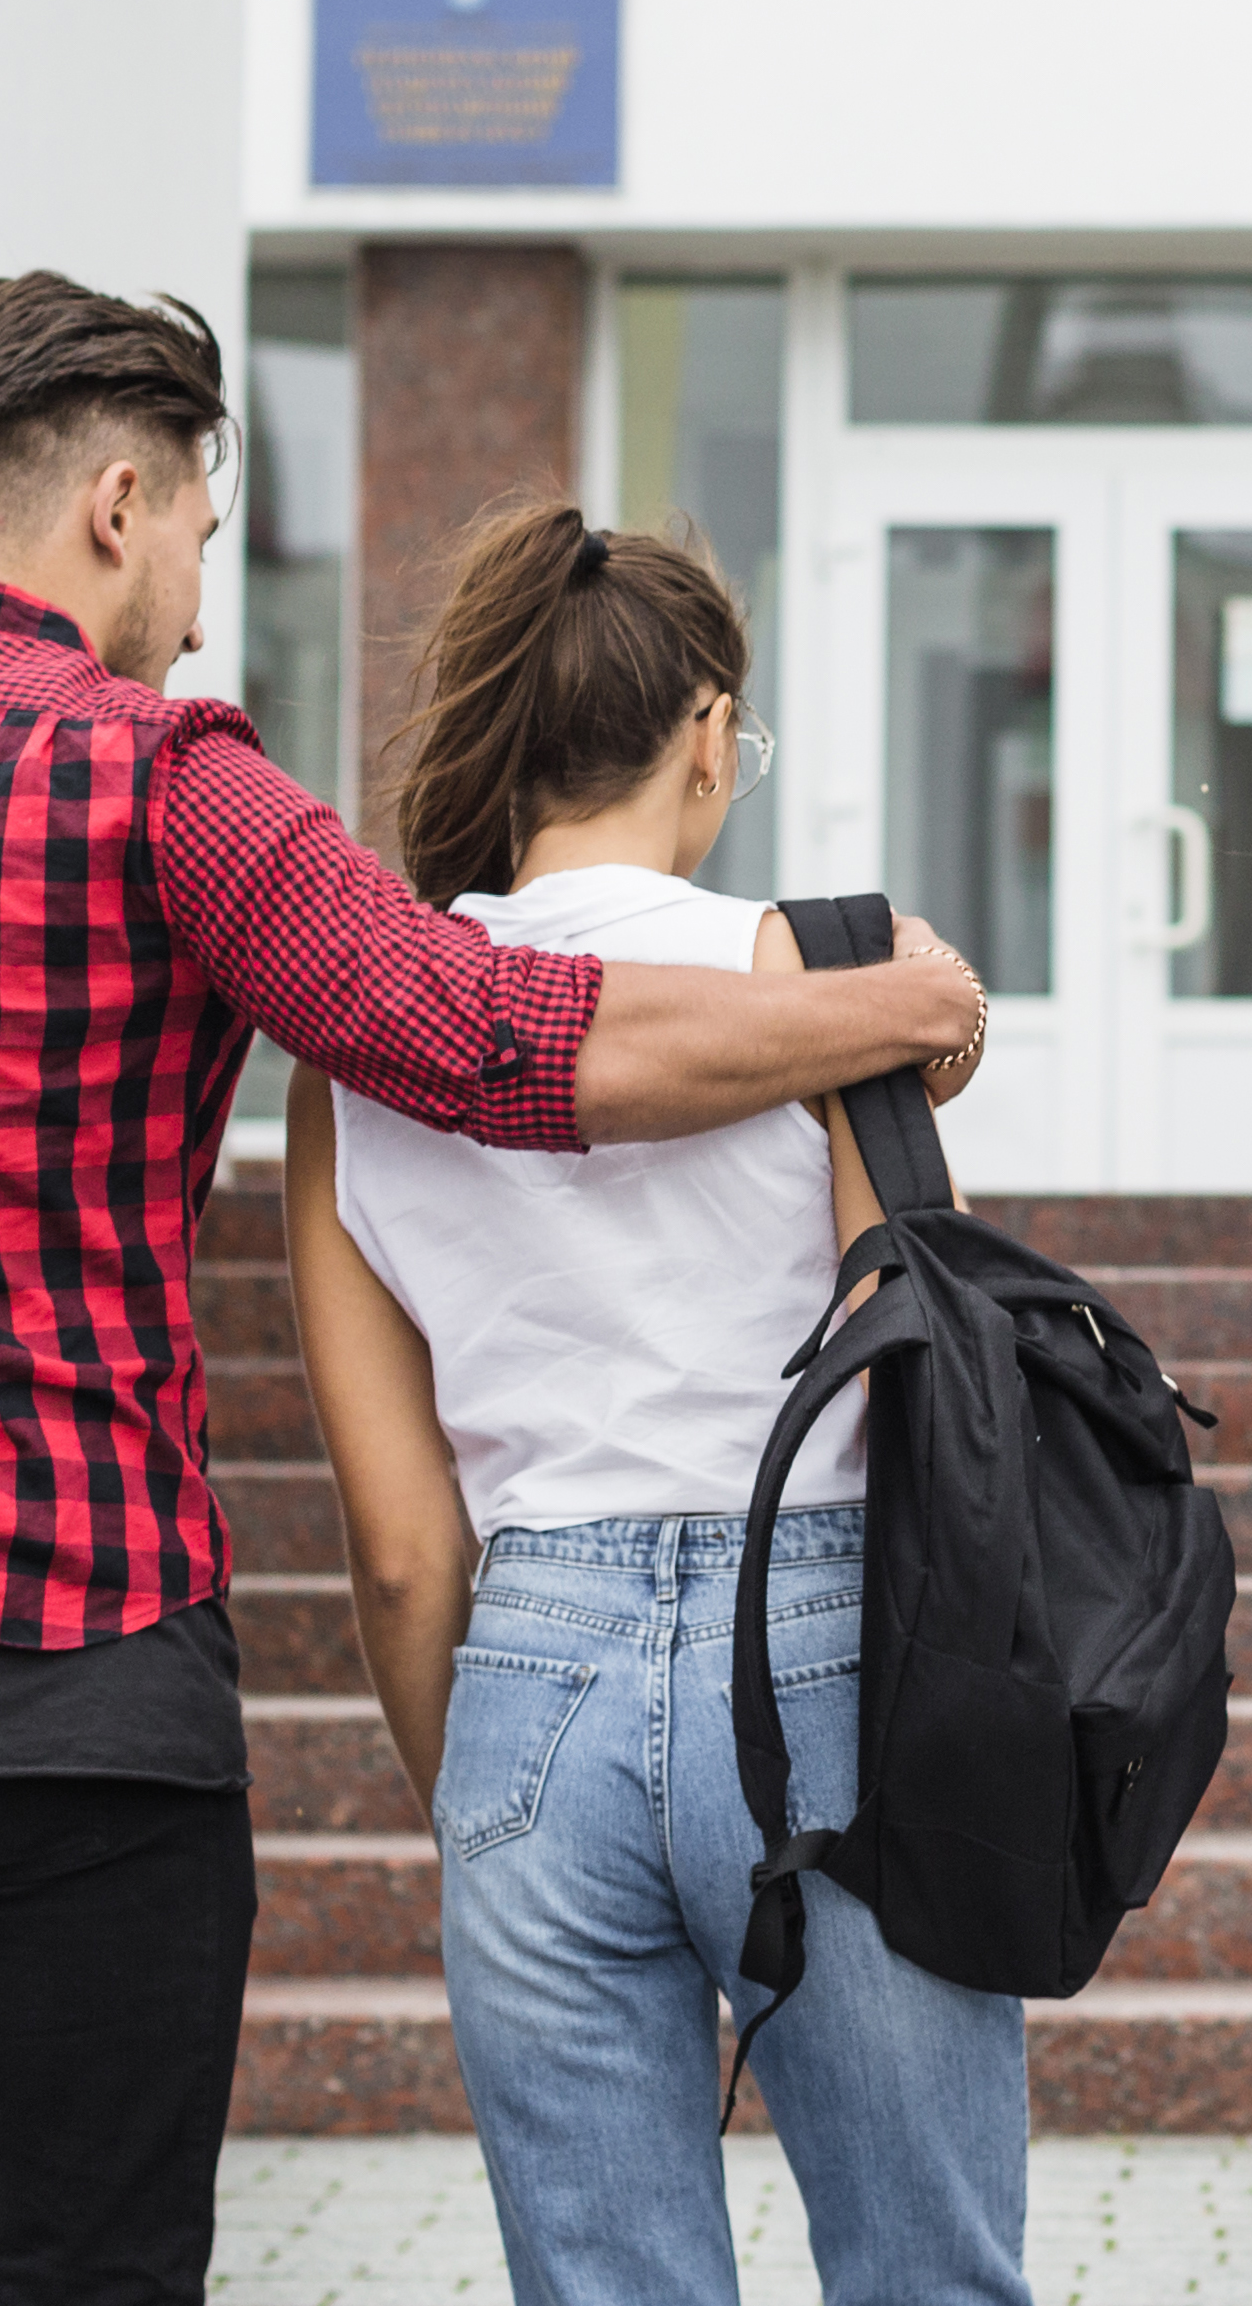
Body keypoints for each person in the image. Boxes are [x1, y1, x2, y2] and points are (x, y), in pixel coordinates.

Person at [0, 274, 982, 2306]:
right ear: (118, 502)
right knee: (86, 2259)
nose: (190, 596)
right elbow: (479, 1034)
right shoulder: (165, 783)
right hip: (57, 1670)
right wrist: (887, 1006)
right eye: (196, 531)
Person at [279, 501, 1024, 2306]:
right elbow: (916, 1377)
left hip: (532, 1673)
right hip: (828, 1636)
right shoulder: (828, 977)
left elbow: (400, 1548)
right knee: (928, 2275)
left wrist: (475, 1794)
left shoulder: (359, 1054)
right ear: (706, 733)